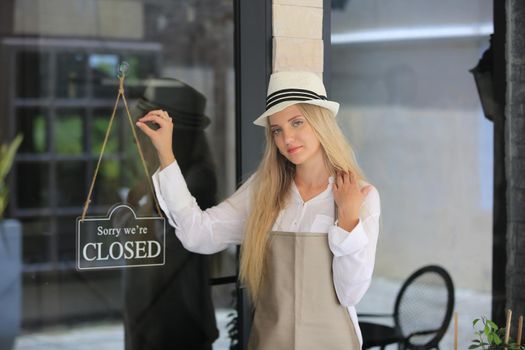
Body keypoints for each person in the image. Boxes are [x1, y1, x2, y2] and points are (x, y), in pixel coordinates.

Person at [136, 71, 381, 350]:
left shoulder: (361, 196)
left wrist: (348, 219)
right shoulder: (262, 191)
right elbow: (198, 234)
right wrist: (166, 155)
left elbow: (350, 294)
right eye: (277, 130)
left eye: (297, 122)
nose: (287, 138)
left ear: (320, 121)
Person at [124, 78, 219, 350]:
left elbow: (162, 247)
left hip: (175, 322)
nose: (137, 138)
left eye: (147, 129)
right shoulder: (160, 180)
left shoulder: (196, 181)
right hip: (151, 320)